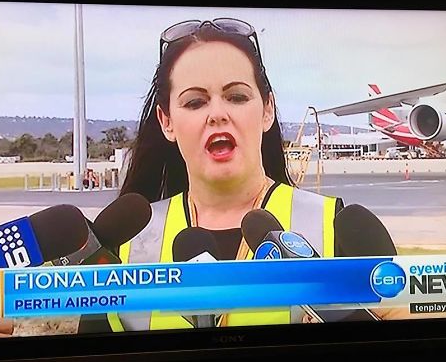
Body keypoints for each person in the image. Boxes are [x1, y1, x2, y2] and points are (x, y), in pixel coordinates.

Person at [79, 17, 348, 333]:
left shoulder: (331, 226)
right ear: (166, 121)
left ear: (267, 110)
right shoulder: (126, 242)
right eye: (195, 102)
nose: (217, 114)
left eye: (236, 97)